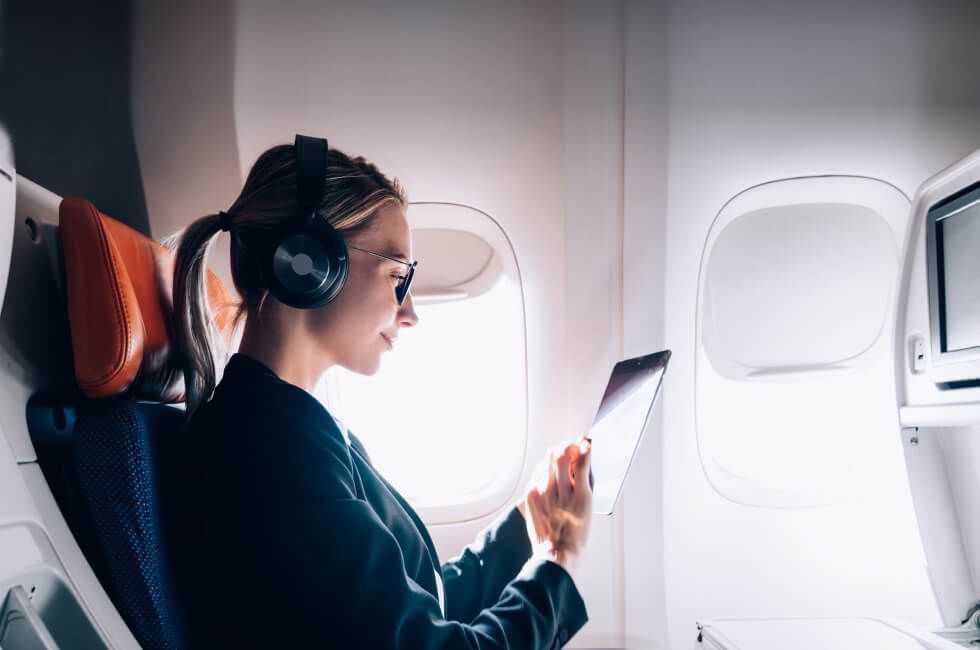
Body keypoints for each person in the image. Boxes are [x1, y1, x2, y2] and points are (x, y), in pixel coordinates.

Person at [171, 135, 593, 648]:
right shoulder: (272, 454)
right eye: (396, 275)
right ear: (308, 263)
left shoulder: (295, 427)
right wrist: (558, 559)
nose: (409, 312)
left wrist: (528, 525)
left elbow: (422, 597)